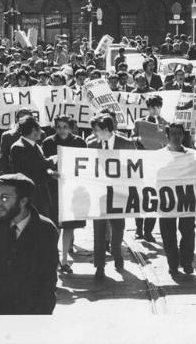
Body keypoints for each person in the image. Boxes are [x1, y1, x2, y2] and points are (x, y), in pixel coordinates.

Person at [0, 173, 59, 314]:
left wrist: (43, 315)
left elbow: (48, 279)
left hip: (30, 316)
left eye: (4, 198)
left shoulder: (46, 229)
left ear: (23, 201)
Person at [88, 114, 137, 280]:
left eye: (97, 130)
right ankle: (99, 266)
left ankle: (117, 253)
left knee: (118, 228)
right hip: (100, 194)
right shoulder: (91, 144)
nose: (94, 134)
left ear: (107, 129)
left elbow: (135, 168)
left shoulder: (127, 144)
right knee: (99, 231)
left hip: (119, 194)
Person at [42, 115, 87, 273]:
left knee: (69, 225)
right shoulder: (48, 142)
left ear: (71, 127)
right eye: (59, 127)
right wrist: (50, 172)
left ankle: (64, 260)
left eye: (65, 127)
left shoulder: (79, 142)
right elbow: (44, 164)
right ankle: (53, 257)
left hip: (72, 189)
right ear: (55, 127)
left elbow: (86, 164)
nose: (62, 130)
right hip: (54, 188)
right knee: (55, 225)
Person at [157, 123, 196, 276]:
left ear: (183, 135)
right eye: (173, 133)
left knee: (188, 232)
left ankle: (187, 262)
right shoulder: (159, 155)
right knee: (168, 233)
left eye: (179, 133)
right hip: (166, 200)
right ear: (167, 135)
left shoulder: (192, 154)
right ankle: (173, 264)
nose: (176, 136)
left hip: (187, 199)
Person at [131, 94, 168, 241]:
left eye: (158, 107)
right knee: (140, 198)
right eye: (153, 107)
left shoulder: (166, 123)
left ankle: (148, 231)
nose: (156, 110)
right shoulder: (139, 122)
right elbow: (131, 139)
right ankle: (138, 229)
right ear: (148, 108)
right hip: (142, 164)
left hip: (158, 165)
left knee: (153, 198)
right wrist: (138, 139)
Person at [9, 116, 58, 219]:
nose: (41, 131)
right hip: (28, 196)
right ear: (33, 130)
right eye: (39, 129)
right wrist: (50, 161)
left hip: (42, 196)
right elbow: (30, 167)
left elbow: (41, 169)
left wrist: (50, 174)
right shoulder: (18, 147)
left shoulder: (37, 146)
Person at [0, 109, 38, 174]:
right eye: (22, 119)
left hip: (35, 174)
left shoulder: (40, 134)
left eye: (27, 119)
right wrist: (8, 175)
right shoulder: (7, 136)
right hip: (15, 174)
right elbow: (3, 159)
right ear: (17, 120)